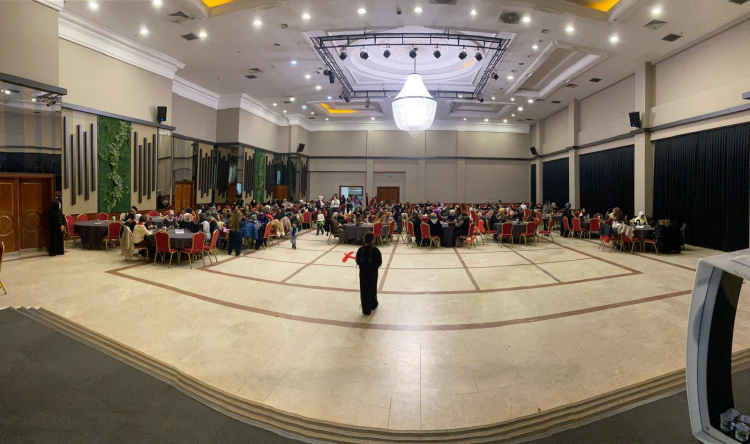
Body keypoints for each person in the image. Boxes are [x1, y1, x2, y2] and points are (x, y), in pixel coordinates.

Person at [356, 232, 382, 316]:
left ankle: (366, 309)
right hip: (373, 273)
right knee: (372, 287)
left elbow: (358, 261)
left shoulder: (360, 250)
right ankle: (373, 304)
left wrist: (363, 267)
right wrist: (373, 268)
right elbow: (379, 262)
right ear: (373, 240)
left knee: (364, 289)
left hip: (363, 273)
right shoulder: (376, 250)